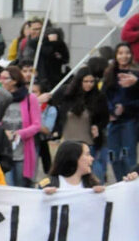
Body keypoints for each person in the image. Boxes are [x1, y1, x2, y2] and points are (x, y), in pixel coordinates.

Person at [0, 65, 41, 187]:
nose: (1, 81)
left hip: (22, 152)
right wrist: (3, 132)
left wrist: (20, 133)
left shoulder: (30, 99)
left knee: (21, 186)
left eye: (5, 78)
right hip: (5, 152)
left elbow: (36, 125)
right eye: (0, 77)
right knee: (7, 187)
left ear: (15, 81)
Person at [102, 43, 139, 181]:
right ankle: (119, 181)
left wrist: (125, 107)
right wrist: (111, 110)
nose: (124, 56)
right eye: (120, 53)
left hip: (130, 121)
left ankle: (131, 182)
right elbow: (104, 96)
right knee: (113, 155)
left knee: (128, 155)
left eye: (127, 53)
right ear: (116, 56)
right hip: (113, 121)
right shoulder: (110, 73)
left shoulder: (135, 75)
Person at [37, 140, 104, 195]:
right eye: (87, 154)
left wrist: (101, 195)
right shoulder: (49, 184)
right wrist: (42, 196)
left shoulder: (93, 185)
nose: (92, 158)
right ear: (74, 158)